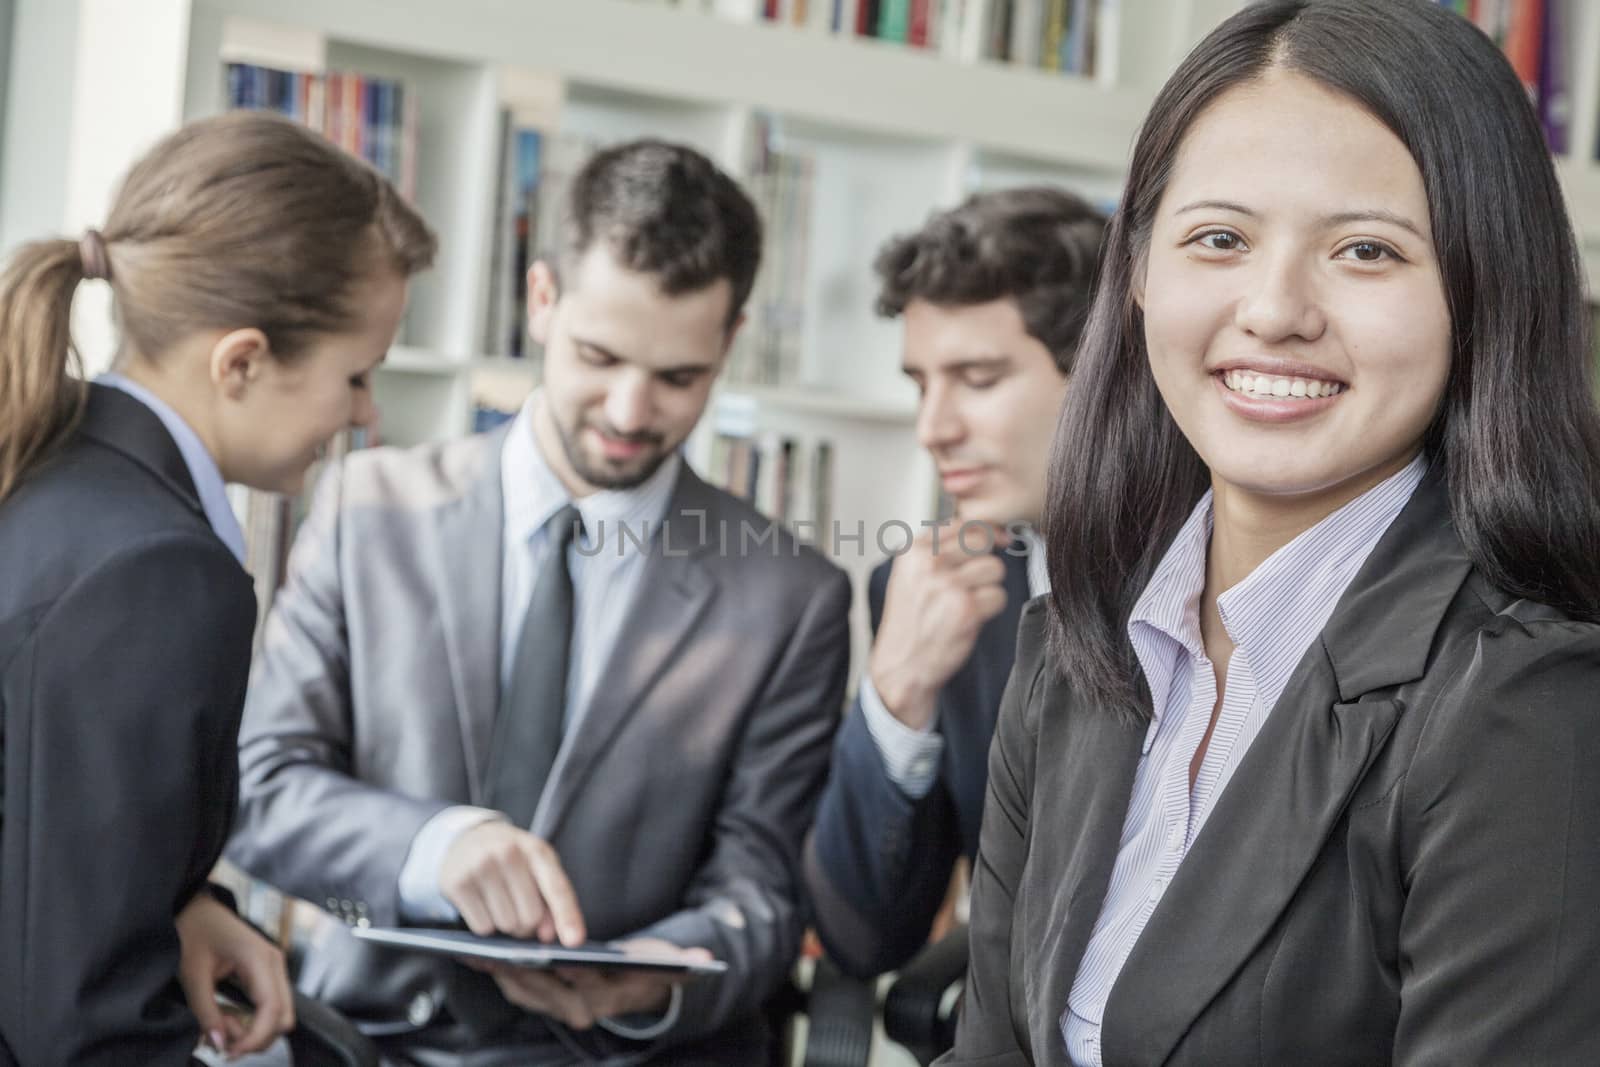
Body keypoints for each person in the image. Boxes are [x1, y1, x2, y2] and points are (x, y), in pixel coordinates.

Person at [941, 0, 1600, 1064]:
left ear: (1480, 293)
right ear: (1141, 271)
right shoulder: (1075, 648)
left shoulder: (1529, 703)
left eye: (1366, 251)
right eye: (1219, 237)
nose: (1274, 307)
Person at [224, 138, 852, 1066]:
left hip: (625, 1052)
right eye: (600, 356)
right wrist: (435, 847)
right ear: (542, 299)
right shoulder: (370, 509)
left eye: (680, 377)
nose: (632, 410)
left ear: (730, 341)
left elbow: (761, 891)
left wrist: (650, 980)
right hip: (371, 1039)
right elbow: (263, 787)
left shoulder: (791, 595)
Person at [0, 111, 436, 1066]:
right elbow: (85, 1032)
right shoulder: (157, 572)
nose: (365, 414)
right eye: (355, 375)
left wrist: (185, 901)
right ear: (241, 361)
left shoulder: (49, 464)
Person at [805, 188, 1104, 977]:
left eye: (976, 378)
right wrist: (897, 688)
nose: (931, 428)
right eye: (920, 383)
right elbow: (863, 937)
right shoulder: (924, 594)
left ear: (1105, 371)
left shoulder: (1231, 580)